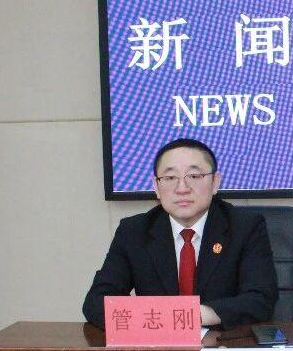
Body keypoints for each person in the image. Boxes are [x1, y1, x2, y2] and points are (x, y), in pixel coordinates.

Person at [82, 138, 278, 331]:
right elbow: (96, 302)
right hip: (158, 345)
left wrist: (191, 316)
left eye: (194, 176)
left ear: (215, 182)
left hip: (223, 345)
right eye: (170, 178)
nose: (182, 189)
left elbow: (261, 299)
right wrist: (156, 318)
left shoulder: (245, 227)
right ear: (156, 187)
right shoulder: (134, 231)